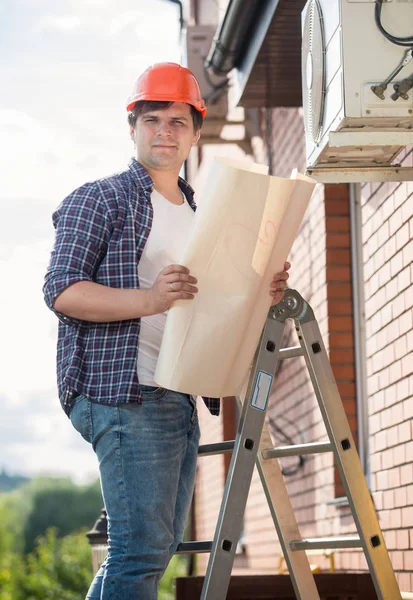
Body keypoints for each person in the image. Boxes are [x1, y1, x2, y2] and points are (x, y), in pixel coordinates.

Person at [43, 62, 290, 599]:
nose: (164, 131)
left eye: (178, 121)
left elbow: (213, 300)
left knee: (149, 553)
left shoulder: (204, 213)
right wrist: (150, 298)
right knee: (139, 550)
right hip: (123, 391)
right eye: (152, 119)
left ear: (196, 133)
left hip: (176, 389)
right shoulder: (101, 199)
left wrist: (258, 292)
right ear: (132, 127)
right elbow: (62, 291)